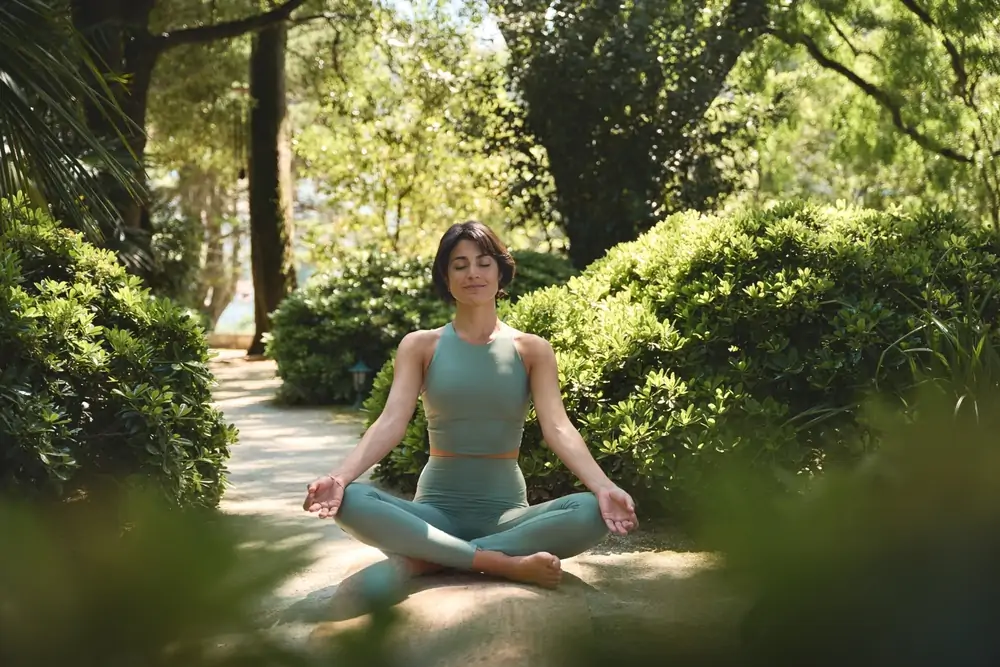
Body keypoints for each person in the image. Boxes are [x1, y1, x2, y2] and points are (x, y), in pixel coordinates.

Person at [303, 220, 638, 591]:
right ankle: (496, 562)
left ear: (500, 271)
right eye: (459, 265)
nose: (472, 273)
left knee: (591, 512)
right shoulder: (420, 346)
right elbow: (391, 422)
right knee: (351, 501)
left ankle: (430, 560)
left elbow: (558, 427)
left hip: (508, 516)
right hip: (433, 514)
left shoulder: (532, 350)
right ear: (446, 278)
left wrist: (605, 487)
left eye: (483, 263)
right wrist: (339, 478)